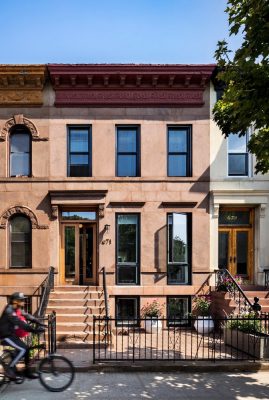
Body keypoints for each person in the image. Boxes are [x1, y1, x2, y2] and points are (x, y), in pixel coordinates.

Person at [0, 292, 45, 380]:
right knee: (23, 349)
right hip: (5, 336)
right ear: (15, 301)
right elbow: (19, 323)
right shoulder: (9, 310)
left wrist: (37, 321)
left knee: (27, 349)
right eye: (22, 300)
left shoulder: (17, 308)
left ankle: (27, 372)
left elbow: (26, 315)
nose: (23, 302)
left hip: (11, 335)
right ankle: (9, 370)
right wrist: (33, 330)